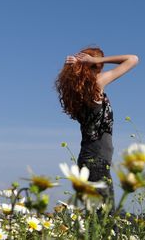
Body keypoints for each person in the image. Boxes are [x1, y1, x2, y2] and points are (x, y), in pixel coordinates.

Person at [55, 47, 139, 211]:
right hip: (97, 161)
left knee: (97, 217)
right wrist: (97, 60)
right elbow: (133, 59)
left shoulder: (76, 89)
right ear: (96, 66)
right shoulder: (97, 84)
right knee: (105, 220)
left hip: (88, 158)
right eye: (101, 64)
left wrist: (72, 67)